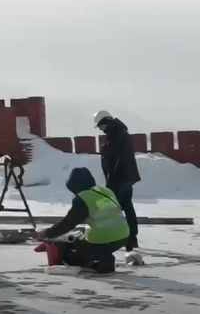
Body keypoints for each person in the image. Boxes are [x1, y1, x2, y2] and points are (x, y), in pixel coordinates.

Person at [38, 166, 129, 274]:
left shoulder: (83, 198)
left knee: (72, 259)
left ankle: (102, 262)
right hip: (123, 236)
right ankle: (104, 256)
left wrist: (48, 233)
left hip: (103, 239)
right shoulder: (105, 191)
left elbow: (68, 223)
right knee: (84, 244)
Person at [94, 110, 140, 251]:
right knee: (127, 206)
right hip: (126, 177)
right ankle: (132, 238)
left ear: (104, 122)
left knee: (113, 209)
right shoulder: (120, 132)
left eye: (100, 126)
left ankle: (117, 238)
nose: (100, 129)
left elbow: (117, 158)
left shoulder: (114, 134)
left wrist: (112, 178)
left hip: (119, 178)